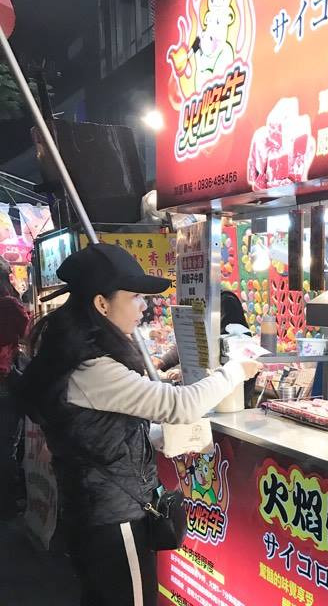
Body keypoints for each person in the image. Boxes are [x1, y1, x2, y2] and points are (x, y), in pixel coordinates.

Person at [16, 244, 260, 606]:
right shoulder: (93, 368)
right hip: (114, 523)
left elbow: (97, 432)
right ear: (102, 304)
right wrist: (235, 370)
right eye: (134, 297)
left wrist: (157, 438)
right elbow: (181, 405)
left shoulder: (75, 357)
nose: (143, 307)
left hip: (94, 517)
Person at [0, 257, 30, 517]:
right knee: (6, 446)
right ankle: (8, 503)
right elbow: (28, 333)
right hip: (4, 383)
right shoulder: (9, 305)